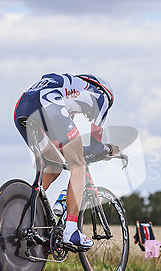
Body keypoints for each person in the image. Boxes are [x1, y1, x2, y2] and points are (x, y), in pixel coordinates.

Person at [13, 73, 120, 249]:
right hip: (49, 107)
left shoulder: (71, 91)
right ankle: (71, 231)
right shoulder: (102, 97)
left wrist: (76, 152)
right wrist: (109, 149)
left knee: (52, 165)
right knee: (78, 165)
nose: (87, 116)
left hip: (22, 107)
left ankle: (25, 215)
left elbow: (66, 146)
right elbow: (95, 147)